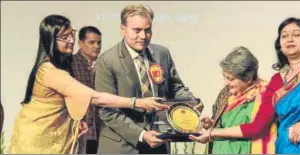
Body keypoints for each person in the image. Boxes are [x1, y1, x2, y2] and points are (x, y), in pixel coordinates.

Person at [192, 17, 300, 154]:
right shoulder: (276, 81)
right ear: (279, 44)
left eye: (296, 34)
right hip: (286, 148)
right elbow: (258, 124)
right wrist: (212, 128)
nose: (290, 39)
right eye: (284, 35)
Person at [7, 14, 168, 154]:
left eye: (72, 35)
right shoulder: (49, 70)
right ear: (50, 39)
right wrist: (136, 102)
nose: (71, 41)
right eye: (64, 37)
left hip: (61, 138)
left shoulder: (60, 66)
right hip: (39, 141)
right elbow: (95, 98)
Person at [95, 4, 203, 154]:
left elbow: (175, 88)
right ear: (122, 29)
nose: (143, 36)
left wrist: (191, 104)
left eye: (148, 30)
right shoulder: (107, 61)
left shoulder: (161, 54)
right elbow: (107, 111)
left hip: (159, 143)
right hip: (122, 147)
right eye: (137, 30)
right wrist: (142, 135)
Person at [189, 46, 276, 154]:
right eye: (224, 77)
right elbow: (222, 128)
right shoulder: (226, 93)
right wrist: (210, 124)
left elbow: (255, 128)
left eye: (231, 79)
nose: (226, 83)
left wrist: (213, 133)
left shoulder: (266, 94)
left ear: (248, 78)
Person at [71, 26, 102, 154]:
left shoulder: (103, 64)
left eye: (99, 42)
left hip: (101, 130)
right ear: (80, 43)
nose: (96, 46)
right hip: (79, 130)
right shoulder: (70, 63)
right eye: (91, 42)